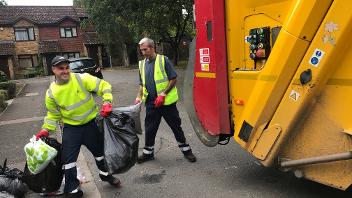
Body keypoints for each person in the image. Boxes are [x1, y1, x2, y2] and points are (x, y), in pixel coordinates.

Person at [35, 56, 120, 198]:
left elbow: (104, 86)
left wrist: (107, 102)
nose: (65, 71)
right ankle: (73, 189)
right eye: (61, 68)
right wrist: (45, 129)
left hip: (91, 125)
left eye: (67, 68)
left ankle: (106, 175)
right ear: (53, 70)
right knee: (68, 160)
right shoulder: (51, 93)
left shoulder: (82, 78)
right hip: (71, 128)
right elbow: (53, 115)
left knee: (100, 154)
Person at [135, 38, 197, 163]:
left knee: (176, 127)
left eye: (145, 49)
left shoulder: (163, 60)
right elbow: (142, 83)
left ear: (152, 47)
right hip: (151, 103)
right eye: (141, 50)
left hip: (166, 103)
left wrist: (163, 94)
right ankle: (148, 153)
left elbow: (173, 79)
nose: (143, 52)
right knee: (150, 128)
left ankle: (187, 151)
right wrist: (138, 96)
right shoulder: (142, 64)